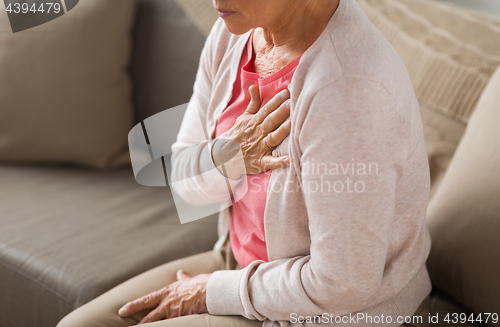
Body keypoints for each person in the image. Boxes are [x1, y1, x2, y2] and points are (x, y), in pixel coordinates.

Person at [57, 0, 432, 326]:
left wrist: (213, 293)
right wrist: (232, 154)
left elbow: (343, 284)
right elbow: (184, 178)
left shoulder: (346, 91)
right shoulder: (233, 35)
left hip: (327, 313)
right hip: (239, 265)